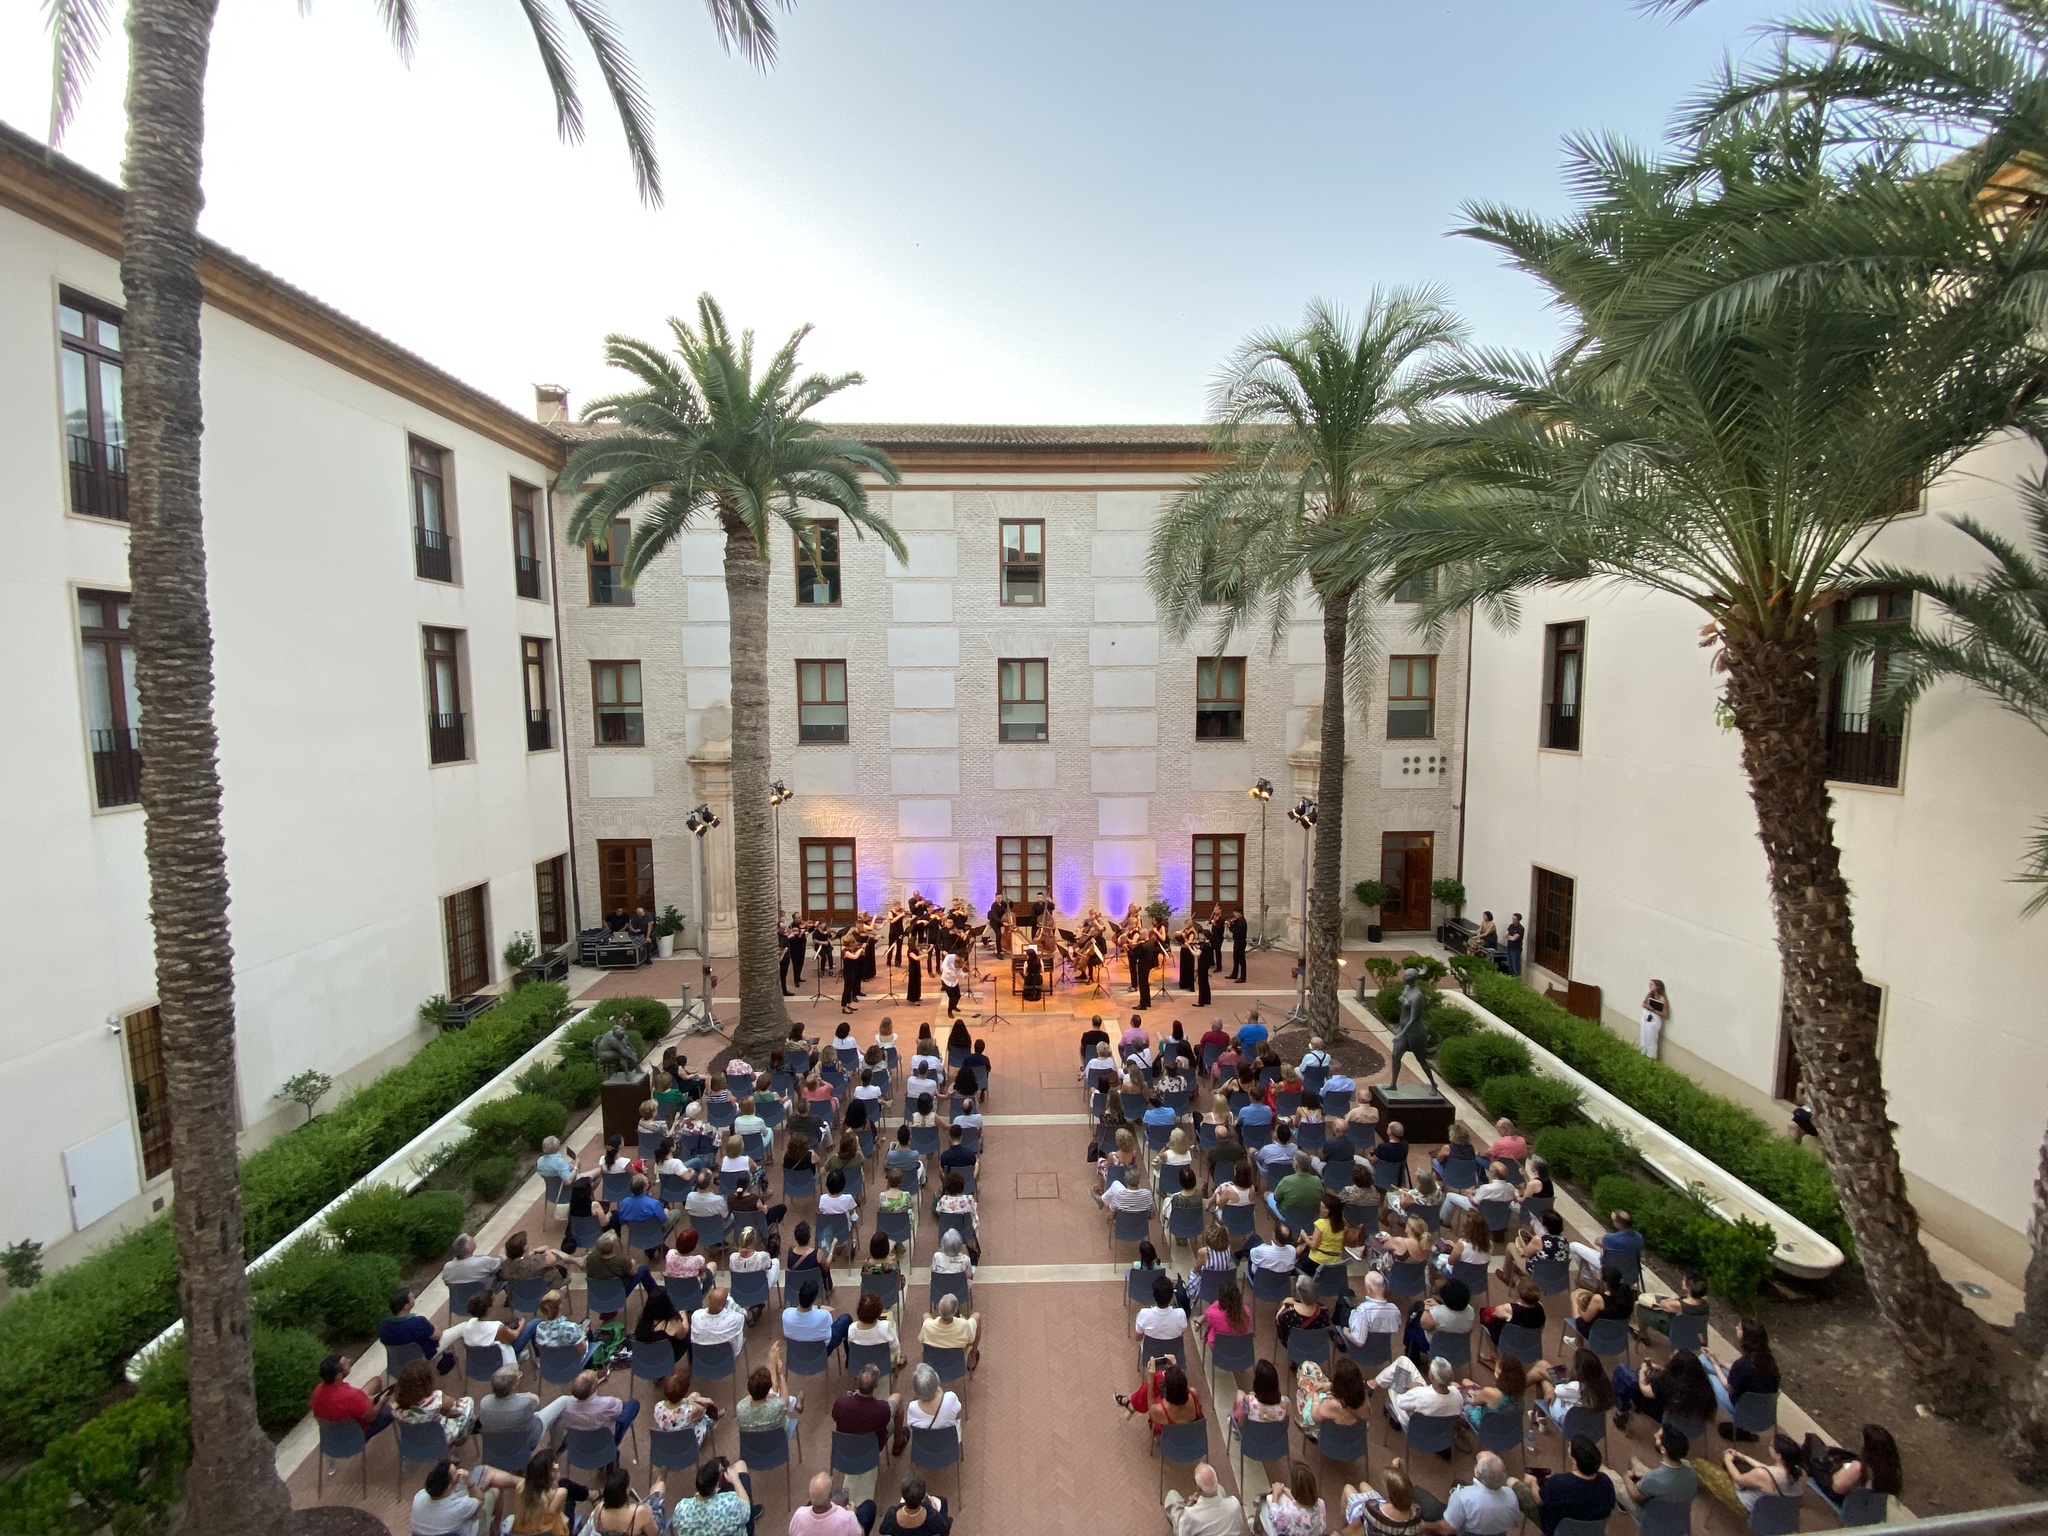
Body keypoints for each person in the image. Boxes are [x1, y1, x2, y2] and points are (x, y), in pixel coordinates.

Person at [1517, 1435, 1616, 1536]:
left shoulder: (1559, 1483)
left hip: (1556, 1529)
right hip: (1592, 1531)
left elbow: (1539, 1499)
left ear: (1575, 1461)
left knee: (1513, 1483)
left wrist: (1533, 1482)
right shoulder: (1606, 1482)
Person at [830, 1366, 900, 1507]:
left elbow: (836, 1416)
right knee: (897, 1398)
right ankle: (898, 1442)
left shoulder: (841, 1403)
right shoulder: (882, 1408)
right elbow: (886, 1420)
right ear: (875, 1386)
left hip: (845, 1449)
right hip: (872, 1448)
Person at [1703, 1319, 1781, 1438]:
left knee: (1707, 1377)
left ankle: (1702, 1410)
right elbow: (1738, 1372)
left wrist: (1716, 1366)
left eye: (1739, 1328)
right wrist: (1719, 1361)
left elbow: (1728, 1387)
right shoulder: (1768, 1360)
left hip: (1744, 1409)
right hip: (1765, 1411)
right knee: (1705, 1361)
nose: (1736, 1328)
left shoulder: (1743, 1364)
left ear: (1746, 1336)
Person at [1615, 1346, 1717, 1432]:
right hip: (1689, 1425)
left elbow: (1645, 1390)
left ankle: (1622, 1411)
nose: (1671, 1355)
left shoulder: (1666, 1383)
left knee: (1622, 1371)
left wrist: (1643, 1371)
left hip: (1662, 1414)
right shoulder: (1703, 1384)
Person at [411, 1457, 520, 1536]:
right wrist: (469, 1483)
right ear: (448, 1487)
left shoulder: (419, 1497)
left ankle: (519, 1481)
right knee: (496, 1489)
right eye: (456, 1476)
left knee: (483, 1474)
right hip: (465, 1530)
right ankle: (496, 1531)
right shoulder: (458, 1507)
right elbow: (480, 1499)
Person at [476, 1365, 570, 1455]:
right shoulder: (525, 1402)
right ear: (512, 1386)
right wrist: (525, 1395)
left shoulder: (484, 1402)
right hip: (527, 1441)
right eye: (518, 1378)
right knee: (564, 1401)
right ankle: (555, 1448)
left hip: (500, 1443)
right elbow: (536, 1401)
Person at [1805, 1424, 1904, 1509]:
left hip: (1836, 1491)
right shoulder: (1889, 1474)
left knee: (1812, 1440)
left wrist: (1840, 1470)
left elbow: (1836, 1487)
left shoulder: (1859, 1468)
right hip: (1860, 1504)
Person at [1425, 1452, 1520, 1536]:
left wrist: (1424, 1526)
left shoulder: (1462, 1498)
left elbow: (1446, 1529)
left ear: (1478, 1475)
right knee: (1458, 1482)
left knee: (1425, 1502)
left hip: (1465, 1532)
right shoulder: (1512, 1496)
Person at [1616, 1424, 1701, 1518]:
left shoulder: (1653, 1479)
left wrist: (1626, 1477)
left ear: (1663, 1450)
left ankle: (1623, 1503)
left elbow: (1636, 1496)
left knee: (1610, 1476)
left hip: (1655, 1517)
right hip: (1679, 1513)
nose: (1654, 1434)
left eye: (1658, 1437)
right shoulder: (1690, 1468)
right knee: (1634, 1461)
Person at [311, 1352, 393, 1439]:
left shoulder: (318, 1390)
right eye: (345, 1363)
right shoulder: (352, 1396)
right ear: (339, 1376)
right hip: (356, 1437)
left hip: (332, 1439)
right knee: (390, 1409)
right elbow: (372, 1417)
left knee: (376, 1381)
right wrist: (381, 1401)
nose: (349, 1360)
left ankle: (366, 1404)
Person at [394, 1356, 476, 1443]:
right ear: (428, 1380)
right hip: (440, 1438)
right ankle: (460, 1434)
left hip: (417, 1440)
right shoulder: (436, 1398)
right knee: (468, 1401)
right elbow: (453, 1404)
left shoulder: (396, 1407)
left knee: (440, 1412)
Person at [504, 1448, 585, 1536]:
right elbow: (553, 1512)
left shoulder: (521, 1486)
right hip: (550, 1532)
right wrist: (555, 1477)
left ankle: (591, 1495)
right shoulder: (560, 1493)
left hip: (522, 1532)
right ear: (552, 1471)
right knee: (569, 1500)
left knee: (566, 1484)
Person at [1531, 1346, 1615, 1429]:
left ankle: (1519, 1389)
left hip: (1562, 1413)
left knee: (1542, 1376)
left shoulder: (1577, 1387)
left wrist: (1556, 1380)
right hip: (1587, 1422)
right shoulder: (1602, 1383)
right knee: (1542, 1364)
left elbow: (1555, 1391)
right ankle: (1538, 1414)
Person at [1724, 1434, 1809, 1516]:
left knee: (1713, 1472)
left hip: (1749, 1506)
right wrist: (1743, 1456)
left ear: (1779, 1455)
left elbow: (1739, 1479)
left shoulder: (1762, 1474)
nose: (1769, 1446)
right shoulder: (1800, 1473)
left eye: (1771, 1445)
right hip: (1777, 1508)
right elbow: (1769, 1470)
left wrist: (1727, 1459)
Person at [667, 1457, 755, 1536]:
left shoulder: (681, 1508)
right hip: (739, 1515)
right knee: (740, 1466)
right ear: (716, 1485)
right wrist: (736, 1480)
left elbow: (677, 1526)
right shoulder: (731, 1501)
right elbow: (746, 1509)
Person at [1374, 1354, 1463, 1429]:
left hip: (1413, 1423)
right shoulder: (1458, 1395)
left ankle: (1391, 1414)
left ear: (1431, 1376)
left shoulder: (1419, 1395)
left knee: (1395, 1381)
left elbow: (1400, 1402)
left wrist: (1411, 1388)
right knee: (1403, 1361)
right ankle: (1376, 1382)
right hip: (1439, 1427)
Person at [736, 1342, 801, 1444]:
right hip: (777, 1443)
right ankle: (797, 1403)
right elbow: (785, 1401)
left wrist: (771, 1365)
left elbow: (769, 1392)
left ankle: (796, 1403)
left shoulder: (740, 1407)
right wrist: (780, 1374)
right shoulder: (777, 1406)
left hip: (754, 1446)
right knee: (777, 1395)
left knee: (775, 1393)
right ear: (766, 1393)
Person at [1164, 1458, 1249, 1536]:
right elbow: (1239, 1528)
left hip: (1187, 1521)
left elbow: (1183, 1533)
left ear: (1199, 1489)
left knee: (1172, 1496)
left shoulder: (1191, 1515)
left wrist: (1188, 1507)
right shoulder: (1234, 1503)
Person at [562, 1368, 640, 1449]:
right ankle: (614, 1445)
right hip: (606, 1442)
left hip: (581, 1443)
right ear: (593, 1389)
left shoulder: (566, 1404)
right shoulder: (607, 1403)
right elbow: (620, 1409)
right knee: (633, 1404)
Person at [1343, 1459, 1419, 1536]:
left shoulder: (1373, 1509)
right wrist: (1398, 1472)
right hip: (1385, 1525)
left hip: (1371, 1527)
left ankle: (1344, 1522)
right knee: (1363, 1485)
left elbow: (1361, 1518)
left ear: (1391, 1496)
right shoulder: (1416, 1513)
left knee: (1348, 1488)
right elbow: (1402, 1488)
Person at [859, 1474, 952, 1536]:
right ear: (922, 1496)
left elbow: (883, 1530)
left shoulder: (892, 1514)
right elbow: (945, 1531)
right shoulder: (932, 1516)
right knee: (943, 1502)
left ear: (903, 1496)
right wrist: (935, 1510)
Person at [1256, 1461, 1327, 1536]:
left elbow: (1274, 1516)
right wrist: (1286, 1490)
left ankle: (1255, 1528)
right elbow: (1301, 1503)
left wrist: (1275, 1494)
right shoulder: (1320, 1503)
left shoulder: (1287, 1512)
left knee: (1263, 1501)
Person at [380, 1287, 442, 1367]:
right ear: (406, 1306)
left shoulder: (384, 1325)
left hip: (398, 1361)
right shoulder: (418, 1322)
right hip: (420, 1357)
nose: (414, 1297)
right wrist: (436, 1328)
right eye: (412, 1297)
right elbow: (438, 1336)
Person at [1342, 1272, 1404, 1353]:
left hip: (1363, 1352)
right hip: (1383, 1352)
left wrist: (1346, 1332)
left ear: (1369, 1289)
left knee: (1343, 1304)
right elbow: (1397, 1326)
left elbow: (1359, 1342)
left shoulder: (1363, 1310)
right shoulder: (1394, 1309)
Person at [789, 1470, 863, 1536]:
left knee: (841, 1496)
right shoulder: (847, 1518)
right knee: (869, 1506)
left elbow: (791, 1532)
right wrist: (853, 1513)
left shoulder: (799, 1515)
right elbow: (860, 1534)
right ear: (830, 1495)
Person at [901, 1359, 964, 1436]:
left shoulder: (912, 1407)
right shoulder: (950, 1398)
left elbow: (912, 1426)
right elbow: (958, 1417)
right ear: (936, 1380)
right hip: (950, 1441)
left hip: (925, 1445)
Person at [919, 1293, 982, 1370]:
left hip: (934, 1362)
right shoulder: (964, 1325)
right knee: (977, 1316)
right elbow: (971, 1341)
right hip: (956, 1362)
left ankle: (929, 1356)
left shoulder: (927, 1326)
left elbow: (921, 1339)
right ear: (955, 1312)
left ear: (939, 1310)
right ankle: (972, 1359)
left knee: (925, 1315)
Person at [1639, 979, 1668, 1058]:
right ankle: (1643, 1053)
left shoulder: (1662, 998)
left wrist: (1653, 1009)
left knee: (1651, 1039)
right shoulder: (1650, 994)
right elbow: (1644, 1004)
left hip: (1654, 1020)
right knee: (1644, 1036)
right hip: (1646, 1017)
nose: (1650, 986)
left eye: (1652, 985)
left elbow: (1665, 1013)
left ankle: (1651, 1056)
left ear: (1658, 987)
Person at [939, 950, 963, 1016]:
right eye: (959, 958)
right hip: (946, 980)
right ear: (956, 955)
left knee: (958, 995)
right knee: (952, 997)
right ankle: (949, 1011)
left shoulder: (960, 961)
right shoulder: (949, 957)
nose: (960, 959)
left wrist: (966, 975)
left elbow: (960, 972)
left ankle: (954, 1006)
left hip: (954, 981)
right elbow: (943, 966)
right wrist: (950, 973)